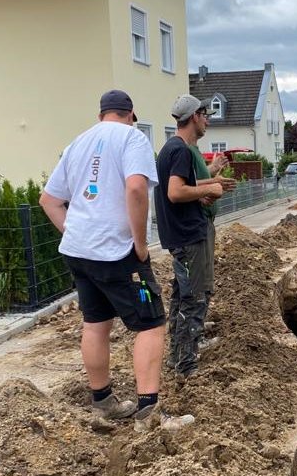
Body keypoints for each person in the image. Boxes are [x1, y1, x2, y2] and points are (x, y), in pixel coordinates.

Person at [39, 89, 194, 431]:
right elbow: (137, 189)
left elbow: (49, 199)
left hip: (79, 253)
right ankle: (149, 413)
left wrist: (74, 232)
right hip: (117, 253)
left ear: (101, 116)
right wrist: (139, 243)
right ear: (130, 115)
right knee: (151, 322)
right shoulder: (131, 138)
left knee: (95, 323)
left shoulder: (78, 142)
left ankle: (103, 402)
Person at [154, 94, 235, 381]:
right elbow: (176, 192)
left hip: (181, 235)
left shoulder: (171, 149)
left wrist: (211, 181)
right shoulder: (182, 152)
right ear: (195, 117)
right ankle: (187, 367)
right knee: (194, 297)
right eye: (205, 115)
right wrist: (209, 191)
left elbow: (183, 185)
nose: (208, 121)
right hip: (189, 235)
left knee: (182, 297)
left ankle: (178, 356)